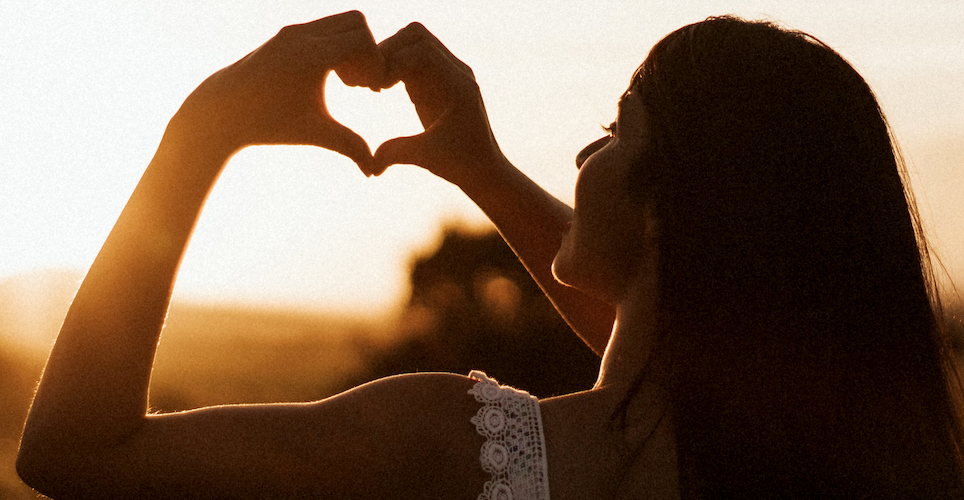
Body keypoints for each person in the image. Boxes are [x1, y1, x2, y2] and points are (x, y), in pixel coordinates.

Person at [16, 10, 964, 499]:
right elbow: (678, 346)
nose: (585, 155)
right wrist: (483, 168)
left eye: (613, 129)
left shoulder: (451, 452)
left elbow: (75, 452)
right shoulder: (876, 468)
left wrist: (206, 125)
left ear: (672, 213)